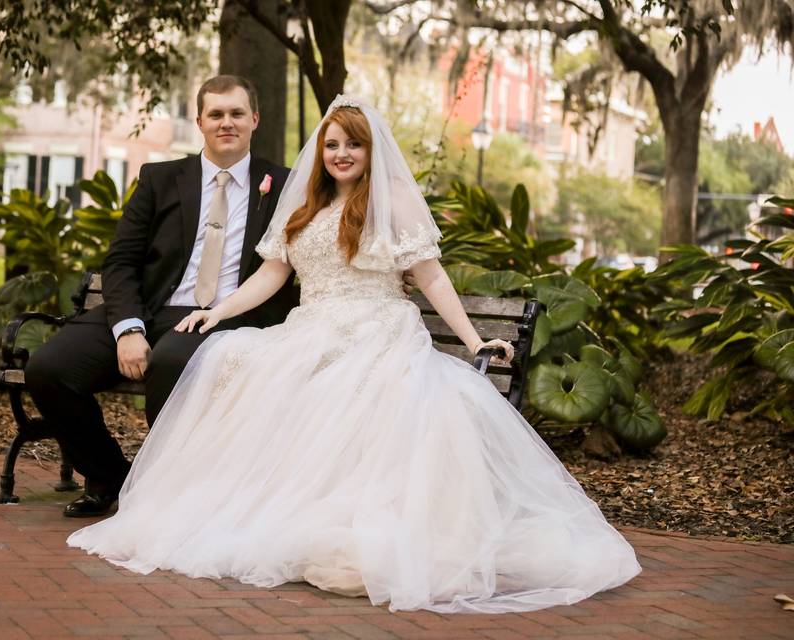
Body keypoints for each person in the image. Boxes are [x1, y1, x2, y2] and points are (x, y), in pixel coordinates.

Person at [67, 96, 641, 613]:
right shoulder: (305, 208)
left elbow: (433, 279)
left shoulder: (390, 206)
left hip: (378, 331)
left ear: (372, 150)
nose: (342, 154)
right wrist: (217, 313)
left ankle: (352, 525)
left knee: (359, 395)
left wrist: (473, 340)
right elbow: (271, 275)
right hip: (310, 327)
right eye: (333, 145)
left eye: (353, 144)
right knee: (231, 358)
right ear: (321, 152)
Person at [24, 75, 298, 518]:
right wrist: (129, 328)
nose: (226, 123)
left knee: (170, 360)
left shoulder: (283, 185)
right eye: (216, 114)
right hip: (149, 309)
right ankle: (109, 474)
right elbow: (122, 261)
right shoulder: (161, 178)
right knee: (49, 368)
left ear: (255, 120)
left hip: (224, 315)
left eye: (236, 114)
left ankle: (165, 487)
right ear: (199, 122)